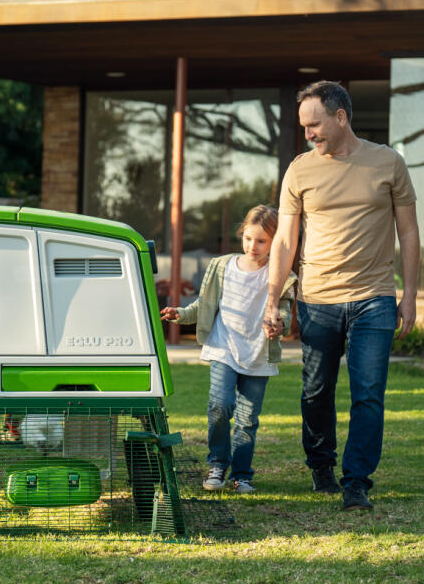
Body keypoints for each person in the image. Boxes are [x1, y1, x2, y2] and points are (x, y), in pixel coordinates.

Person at [264, 80, 420, 512]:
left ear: (340, 116)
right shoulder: (299, 170)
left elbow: (408, 231)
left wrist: (409, 295)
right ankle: (321, 466)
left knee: (368, 392)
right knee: (316, 391)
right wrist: (273, 298)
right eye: (303, 127)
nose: (308, 133)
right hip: (317, 299)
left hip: (374, 298)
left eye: (314, 124)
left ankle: (357, 481)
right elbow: (284, 243)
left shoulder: (388, 163)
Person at [161, 205, 297, 494]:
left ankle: (242, 475)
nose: (253, 246)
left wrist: (279, 325)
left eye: (261, 241)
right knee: (219, 407)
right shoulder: (223, 266)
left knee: (248, 419)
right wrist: (181, 315)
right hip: (224, 347)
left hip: (258, 354)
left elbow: (285, 312)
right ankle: (217, 464)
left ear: (274, 242)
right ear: (241, 235)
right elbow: (205, 305)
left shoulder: (280, 273)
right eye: (248, 238)